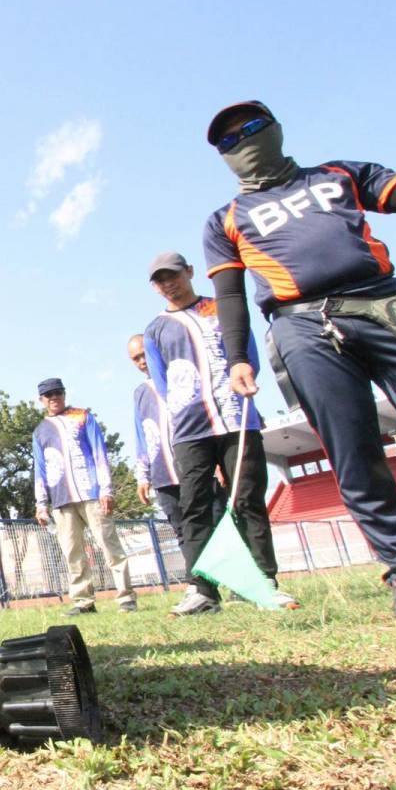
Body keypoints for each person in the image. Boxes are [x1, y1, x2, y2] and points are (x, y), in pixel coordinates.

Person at [203, 58, 396, 618]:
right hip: (302, 327)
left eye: (251, 128)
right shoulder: (224, 219)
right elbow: (230, 298)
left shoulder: (338, 174)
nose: (242, 139)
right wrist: (236, 360)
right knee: (353, 457)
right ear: (222, 156)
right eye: (229, 138)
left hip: (390, 307)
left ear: (273, 128)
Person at [143, 254, 296, 615]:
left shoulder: (223, 309)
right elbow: (162, 383)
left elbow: (248, 356)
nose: (168, 283)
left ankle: (265, 582)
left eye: (173, 275)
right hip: (189, 430)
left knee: (247, 501)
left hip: (237, 418)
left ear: (189, 272)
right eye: (160, 280)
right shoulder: (155, 330)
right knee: (193, 507)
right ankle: (202, 590)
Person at [31, 378, 136, 615]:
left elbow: (100, 453)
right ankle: (83, 601)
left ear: (64, 394)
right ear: (41, 400)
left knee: (110, 546)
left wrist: (106, 490)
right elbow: (40, 468)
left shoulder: (83, 417)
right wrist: (41, 504)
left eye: (57, 393)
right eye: (48, 395)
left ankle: (126, 597)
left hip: (91, 493)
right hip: (61, 499)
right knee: (72, 552)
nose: (53, 398)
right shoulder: (39, 431)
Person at [127, 334, 227, 557]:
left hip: (199, 468)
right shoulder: (140, 393)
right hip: (164, 475)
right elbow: (142, 435)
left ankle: (236, 586)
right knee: (183, 533)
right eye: (136, 358)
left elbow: (207, 419)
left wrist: (219, 460)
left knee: (218, 529)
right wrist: (143, 476)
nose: (142, 361)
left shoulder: (183, 375)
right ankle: (201, 586)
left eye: (145, 354)